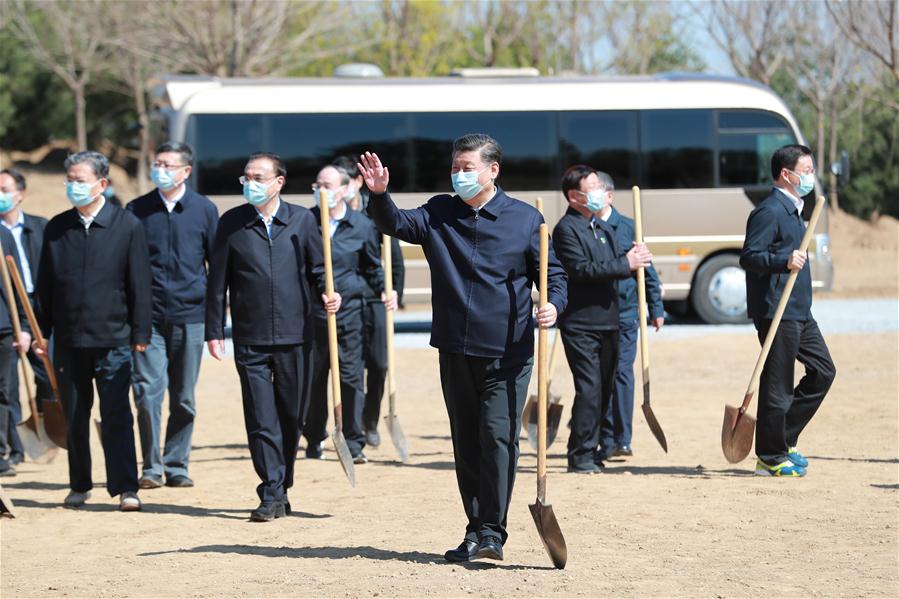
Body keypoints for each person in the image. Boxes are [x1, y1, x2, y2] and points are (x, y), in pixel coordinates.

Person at [359, 133, 568, 563]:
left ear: (493, 170)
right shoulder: (439, 212)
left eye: (467, 167)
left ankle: (493, 529)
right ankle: (476, 530)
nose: (459, 175)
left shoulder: (526, 220)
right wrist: (379, 195)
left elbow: (554, 275)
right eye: (455, 167)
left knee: (497, 437)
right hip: (455, 347)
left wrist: (552, 304)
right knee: (467, 442)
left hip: (508, 350)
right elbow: (395, 223)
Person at [205, 152, 341, 522]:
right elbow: (217, 281)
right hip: (250, 337)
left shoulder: (301, 221)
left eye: (259, 176)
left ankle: (282, 483)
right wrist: (214, 330)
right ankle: (271, 490)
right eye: (246, 176)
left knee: (290, 416)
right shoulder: (231, 223)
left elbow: (318, 270)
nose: (250, 182)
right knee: (261, 416)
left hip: (297, 335)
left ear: (279, 181)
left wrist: (329, 293)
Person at [34, 151, 151, 511]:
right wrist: (43, 334)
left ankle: (126, 487)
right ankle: (79, 484)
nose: (73, 186)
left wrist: (140, 335)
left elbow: (140, 285)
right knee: (75, 417)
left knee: (117, 415)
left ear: (101, 184)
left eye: (80, 180)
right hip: (69, 341)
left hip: (114, 339)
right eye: (70, 179)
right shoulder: (56, 228)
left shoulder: (127, 225)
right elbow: (46, 286)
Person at [127, 142, 219, 489]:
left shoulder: (204, 210)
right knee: (147, 393)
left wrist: (214, 326)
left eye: (167, 164)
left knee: (183, 397)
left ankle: (176, 464)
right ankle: (151, 467)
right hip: (147, 319)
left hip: (190, 316)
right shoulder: (137, 209)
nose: (160, 169)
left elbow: (216, 269)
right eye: (157, 163)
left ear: (185, 171)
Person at [740, 144, 836, 477]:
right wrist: (783, 260)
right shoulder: (770, 211)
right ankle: (769, 456)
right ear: (787, 174)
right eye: (807, 170)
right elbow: (749, 257)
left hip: (798, 310)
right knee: (778, 385)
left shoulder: (794, 209)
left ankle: (783, 436)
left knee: (824, 371)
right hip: (776, 310)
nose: (811, 176)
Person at [552, 165, 653, 474]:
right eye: (591, 187)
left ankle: (596, 447)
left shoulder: (600, 227)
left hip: (610, 321)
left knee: (606, 388)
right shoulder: (566, 230)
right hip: (581, 324)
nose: (598, 193)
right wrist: (626, 262)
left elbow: (615, 263)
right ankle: (579, 454)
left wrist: (637, 259)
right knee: (590, 388)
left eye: (598, 186)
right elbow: (581, 270)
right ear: (574, 196)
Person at [302, 165, 393, 465]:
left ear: (343, 189)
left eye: (327, 184)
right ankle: (314, 436)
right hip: (313, 314)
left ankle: (353, 440)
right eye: (317, 184)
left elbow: (371, 268)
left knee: (351, 376)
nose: (320, 190)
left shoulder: (362, 226)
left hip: (351, 313)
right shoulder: (305, 223)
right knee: (315, 378)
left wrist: (385, 290)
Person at [331, 156, 405, 448]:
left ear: (358, 182)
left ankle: (370, 420)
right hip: (344, 299)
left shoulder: (376, 212)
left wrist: (394, 290)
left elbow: (394, 257)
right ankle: (348, 425)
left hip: (374, 296)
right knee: (347, 365)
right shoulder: (328, 214)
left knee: (378, 363)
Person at [592, 171, 665, 458]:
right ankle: (605, 439)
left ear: (609, 195)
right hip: (595, 316)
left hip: (624, 313)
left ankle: (622, 439)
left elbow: (648, 271)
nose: (591, 194)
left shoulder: (628, 228)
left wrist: (656, 308)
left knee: (622, 373)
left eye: (596, 189)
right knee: (601, 376)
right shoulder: (583, 227)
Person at [0, 168, 51, 468]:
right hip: (10, 306)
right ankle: (13, 447)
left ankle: (46, 426)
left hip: (37, 305)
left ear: (21, 193)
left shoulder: (39, 227)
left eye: (5, 189)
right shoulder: (1, 234)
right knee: (7, 385)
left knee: (45, 372)